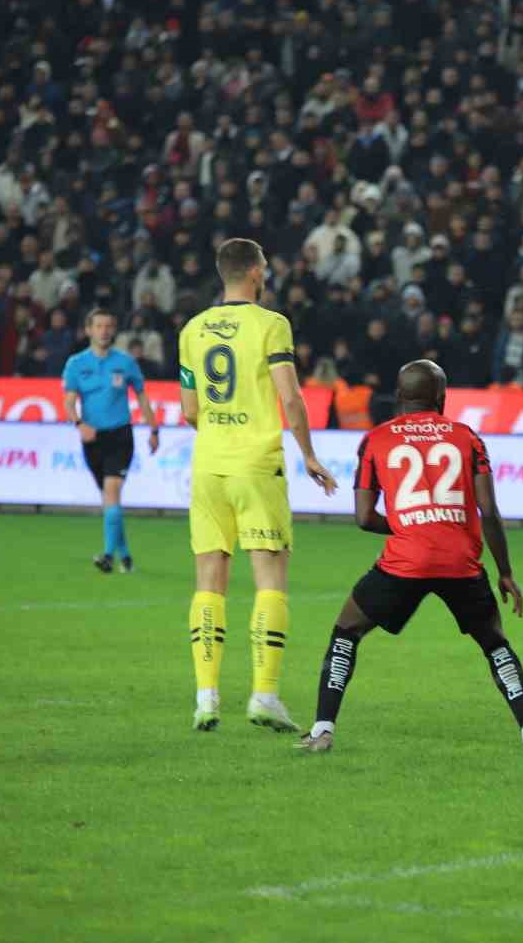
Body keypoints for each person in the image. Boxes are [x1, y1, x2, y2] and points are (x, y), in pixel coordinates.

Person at [296, 360, 523, 756]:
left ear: (398, 397)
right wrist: (505, 572)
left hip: (405, 562)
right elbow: (488, 511)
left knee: (346, 631)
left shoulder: (377, 439)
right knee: (495, 644)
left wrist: (412, 525)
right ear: (442, 397)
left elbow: (365, 518)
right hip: (462, 563)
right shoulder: (467, 437)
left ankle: (322, 730)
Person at [180, 239, 338, 733]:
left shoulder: (192, 329)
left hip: (208, 464)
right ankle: (264, 695)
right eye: (265, 266)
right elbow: (290, 398)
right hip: (256, 463)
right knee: (270, 580)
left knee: (209, 580)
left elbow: (189, 411)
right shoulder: (271, 325)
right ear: (253, 272)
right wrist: (309, 453)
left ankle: (206, 698)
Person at [61, 308, 159, 573]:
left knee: (112, 491)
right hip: (92, 438)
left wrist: (153, 430)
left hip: (120, 436)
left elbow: (141, 396)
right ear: (88, 330)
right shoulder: (76, 364)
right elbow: (69, 402)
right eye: (99, 326)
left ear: (113, 330)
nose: (104, 331)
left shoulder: (126, 363)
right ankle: (125, 557)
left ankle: (107, 556)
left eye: (108, 326)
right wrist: (79, 424)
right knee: (110, 500)